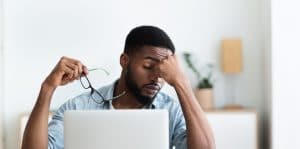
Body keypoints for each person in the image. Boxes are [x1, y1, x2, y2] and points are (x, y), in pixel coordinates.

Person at [21, 26, 215, 149]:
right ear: (124, 60)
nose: (157, 77)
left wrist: (182, 83)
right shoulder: (80, 107)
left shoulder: (170, 110)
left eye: (164, 72)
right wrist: (47, 88)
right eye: (148, 67)